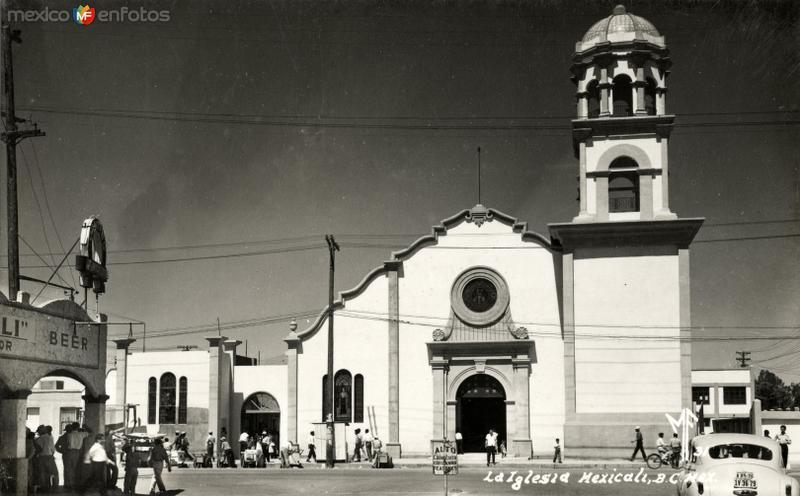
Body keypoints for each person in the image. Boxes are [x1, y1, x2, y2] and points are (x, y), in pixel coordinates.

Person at [35, 425, 58, 491]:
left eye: (38, 431)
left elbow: (39, 449)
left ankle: (45, 488)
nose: (38, 433)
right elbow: (53, 449)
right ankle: (55, 488)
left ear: (40, 431)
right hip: (50, 456)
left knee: (43, 473)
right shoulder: (50, 437)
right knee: (53, 473)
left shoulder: (38, 439)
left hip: (42, 457)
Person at [65, 422, 84, 489]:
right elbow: (90, 432)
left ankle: (69, 484)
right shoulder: (82, 434)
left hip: (70, 452)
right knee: (76, 468)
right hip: (78, 452)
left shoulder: (69, 434)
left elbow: (67, 443)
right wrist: (84, 428)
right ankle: (76, 484)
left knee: (69, 468)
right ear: (78, 427)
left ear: (72, 427)